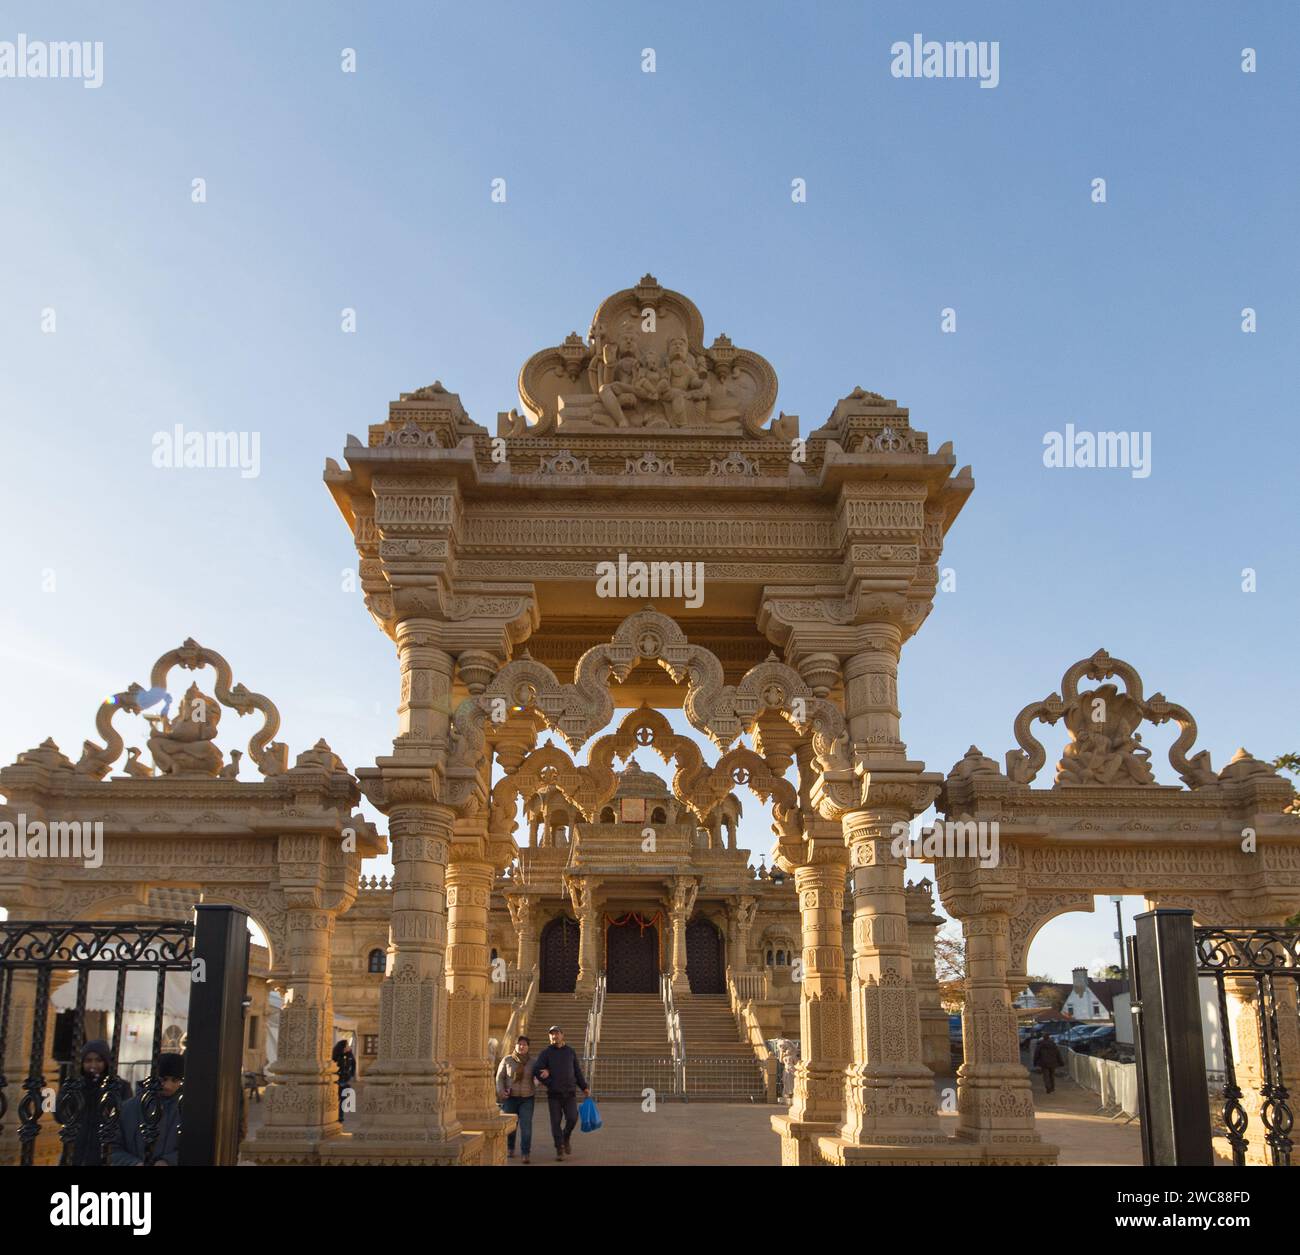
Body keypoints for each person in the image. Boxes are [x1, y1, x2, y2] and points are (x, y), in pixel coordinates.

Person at [60, 1038, 132, 1166]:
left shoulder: (120, 1087)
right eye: (88, 1060)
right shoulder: (74, 1085)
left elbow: (125, 1118)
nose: (93, 1065)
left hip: (105, 1147)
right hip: (77, 1147)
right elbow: (60, 1114)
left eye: (98, 1060)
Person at [110, 1052, 184, 1166]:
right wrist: (133, 1163)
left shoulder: (184, 1110)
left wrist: (168, 1161)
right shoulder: (127, 1109)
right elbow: (112, 1148)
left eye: (174, 1080)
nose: (168, 1085)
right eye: (163, 1079)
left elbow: (193, 1146)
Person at [530, 1025, 589, 1161]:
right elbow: (537, 1070)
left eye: (556, 1033)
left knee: (573, 1118)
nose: (554, 1036)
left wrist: (584, 1086)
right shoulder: (545, 1053)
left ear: (562, 1035)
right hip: (554, 1095)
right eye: (551, 1034)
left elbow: (577, 1071)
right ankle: (559, 1148)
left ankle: (566, 1136)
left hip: (569, 1093)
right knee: (555, 1122)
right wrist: (550, 1082)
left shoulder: (570, 1052)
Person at [495, 1034, 536, 1163]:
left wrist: (539, 1080)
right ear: (515, 1045)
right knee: (511, 1126)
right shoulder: (507, 1060)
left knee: (526, 1126)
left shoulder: (533, 1062)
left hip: (527, 1098)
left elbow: (539, 1077)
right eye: (520, 1044)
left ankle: (525, 1153)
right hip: (510, 1098)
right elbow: (499, 1077)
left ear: (528, 1047)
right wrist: (501, 1091)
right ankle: (510, 1148)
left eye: (524, 1044)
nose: (522, 1046)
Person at [332, 1039, 357, 1121]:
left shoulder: (350, 1054)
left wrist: (351, 1074)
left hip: (345, 1079)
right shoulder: (336, 1055)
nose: (348, 1047)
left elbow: (353, 1063)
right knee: (335, 1099)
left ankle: (340, 1116)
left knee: (343, 1098)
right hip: (337, 1080)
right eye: (347, 1045)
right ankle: (333, 1115)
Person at [1033, 1029, 1064, 1094]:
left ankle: (1048, 1087)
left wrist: (1035, 1062)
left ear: (1043, 1037)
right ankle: (1052, 1087)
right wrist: (1061, 1062)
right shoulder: (1053, 1044)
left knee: (1046, 1076)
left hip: (1044, 1063)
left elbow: (1036, 1054)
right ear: (1049, 1037)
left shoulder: (1040, 1045)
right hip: (1053, 1062)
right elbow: (1058, 1054)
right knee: (1052, 1075)